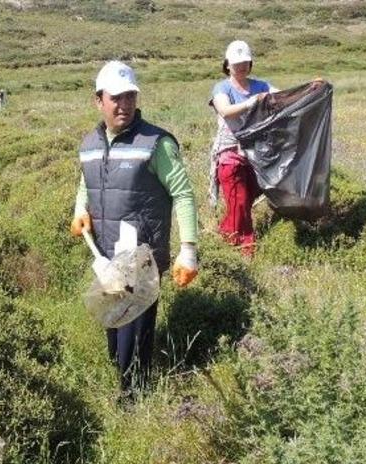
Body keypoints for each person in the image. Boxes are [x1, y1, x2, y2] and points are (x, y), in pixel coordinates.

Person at [70, 60, 199, 398]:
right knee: (115, 340)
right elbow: (85, 182)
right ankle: (127, 386)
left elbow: (183, 194)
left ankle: (134, 400)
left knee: (133, 343)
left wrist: (188, 250)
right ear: (99, 101)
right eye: (116, 98)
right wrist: (80, 208)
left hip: (142, 261)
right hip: (107, 258)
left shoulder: (156, 143)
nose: (124, 105)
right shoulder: (89, 144)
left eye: (130, 97)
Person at [208, 40, 279, 257]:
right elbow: (225, 110)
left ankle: (224, 236)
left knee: (244, 201)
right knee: (238, 202)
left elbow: (284, 97)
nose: (240, 67)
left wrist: (311, 88)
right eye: (236, 63)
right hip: (230, 153)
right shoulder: (222, 88)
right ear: (227, 65)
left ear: (250, 64)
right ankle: (246, 249)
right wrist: (252, 102)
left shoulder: (262, 86)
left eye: (245, 62)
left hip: (257, 153)